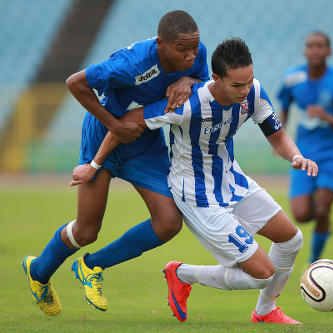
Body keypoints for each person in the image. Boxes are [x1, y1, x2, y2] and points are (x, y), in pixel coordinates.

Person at [71, 38, 318, 324]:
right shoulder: (187, 104)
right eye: (237, 85)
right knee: (263, 275)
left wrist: (296, 156)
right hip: (198, 198)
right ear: (216, 78)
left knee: (291, 241)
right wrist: (94, 164)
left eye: (248, 81)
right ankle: (182, 273)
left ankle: (265, 312)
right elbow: (127, 123)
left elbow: (277, 137)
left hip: (232, 182)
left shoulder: (254, 93)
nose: (245, 90)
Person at [22, 10, 210, 316]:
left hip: (146, 142)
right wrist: (114, 123)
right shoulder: (131, 63)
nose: (191, 56)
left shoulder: (196, 51)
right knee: (86, 231)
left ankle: (91, 267)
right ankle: (38, 273)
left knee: (169, 223)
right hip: (104, 137)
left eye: (193, 49)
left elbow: (203, 77)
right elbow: (75, 83)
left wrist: (189, 79)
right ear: (161, 44)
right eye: (182, 51)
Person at [277, 32, 333, 264]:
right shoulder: (292, 78)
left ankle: (314, 263)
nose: (315, 50)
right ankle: (325, 224)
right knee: (301, 215)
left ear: (329, 51)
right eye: (310, 46)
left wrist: (326, 117)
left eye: (320, 46)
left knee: (321, 209)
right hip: (304, 151)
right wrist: (278, 136)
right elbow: (284, 104)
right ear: (304, 51)